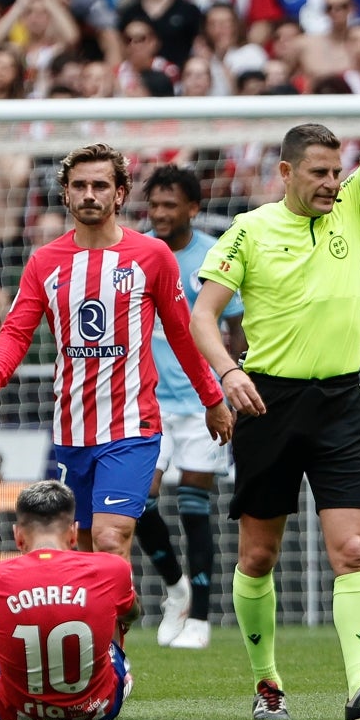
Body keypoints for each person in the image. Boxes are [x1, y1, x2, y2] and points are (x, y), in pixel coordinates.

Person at [189, 0, 360, 720]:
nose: (335, 183)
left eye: (339, 171)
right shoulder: (248, 230)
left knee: (353, 549)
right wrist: (229, 374)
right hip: (265, 398)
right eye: (321, 173)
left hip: (340, 402)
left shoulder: (357, 210)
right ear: (287, 173)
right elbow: (204, 317)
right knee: (258, 558)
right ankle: (268, 683)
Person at [0, 143, 233, 559]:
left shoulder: (152, 256)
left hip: (132, 427)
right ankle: (117, 620)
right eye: (80, 185)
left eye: (100, 185)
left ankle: (126, 620)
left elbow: (183, 333)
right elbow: (17, 331)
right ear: (66, 194)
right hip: (72, 429)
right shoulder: (45, 262)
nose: (89, 194)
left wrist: (212, 398)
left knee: (112, 540)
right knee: (84, 551)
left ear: (120, 193)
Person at [134, 165, 245, 650]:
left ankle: (199, 617)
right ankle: (176, 587)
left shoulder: (211, 256)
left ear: (192, 209)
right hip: (148, 400)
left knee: (196, 506)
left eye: (169, 205)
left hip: (203, 400)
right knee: (139, 500)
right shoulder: (135, 253)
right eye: (153, 204)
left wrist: (234, 380)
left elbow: (236, 326)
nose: (159, 213)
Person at [0, 479, 139, 720]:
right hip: (98, 710)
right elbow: (131, 614)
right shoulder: (111, 568)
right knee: (114, 609)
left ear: (18, 536)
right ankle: (120, 674)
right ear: (74, 533)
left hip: (14, 712)